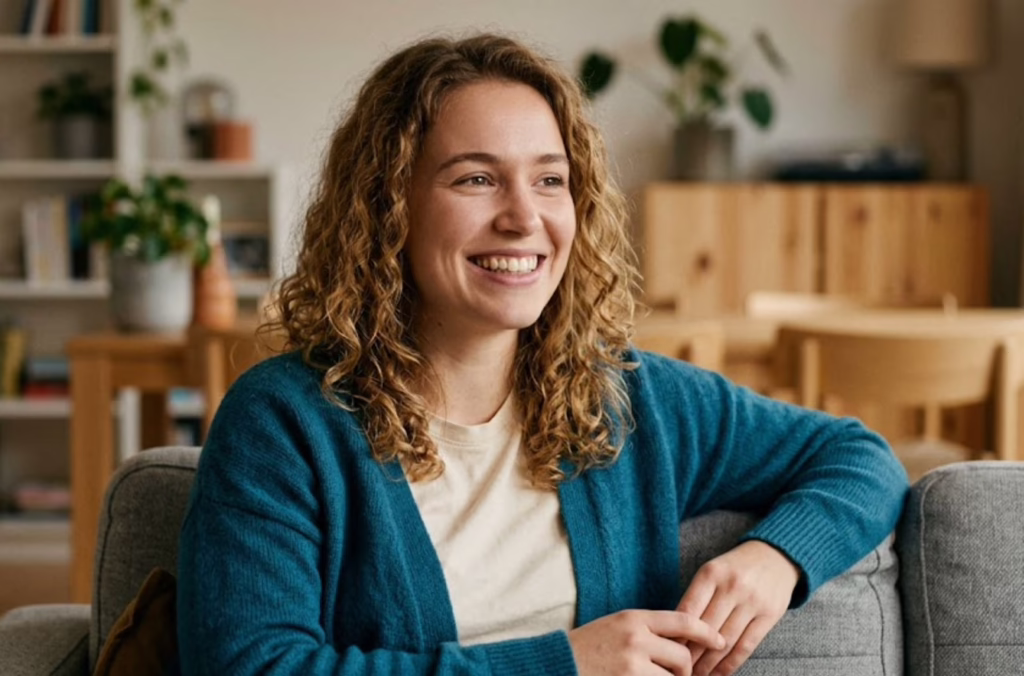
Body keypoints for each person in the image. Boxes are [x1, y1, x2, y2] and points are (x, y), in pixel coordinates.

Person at [176, 32, 908, 676]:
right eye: (476, 178)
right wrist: (562, 665)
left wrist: (775, 559)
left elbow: (861, 457)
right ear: (387, 205)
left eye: (550, 180)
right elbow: (250, 666)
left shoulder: (628, 401)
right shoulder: (282, 424)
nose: (524, 217)